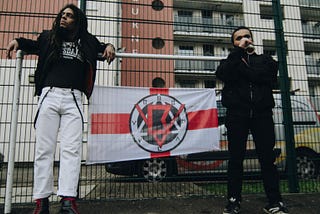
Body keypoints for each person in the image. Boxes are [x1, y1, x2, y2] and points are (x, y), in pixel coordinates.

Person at [6, 4, 115, 214]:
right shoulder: (48, 37)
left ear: (78, 20)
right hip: (49, 95)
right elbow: (30, 43)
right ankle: (42, 201)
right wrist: (17, 41)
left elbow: (103, 47)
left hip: (73, 98)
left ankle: (67, 200)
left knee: (71, 150)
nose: (64, 18)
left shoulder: (88, 41)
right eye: (63, 15)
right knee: (43, 150)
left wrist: (109, 45)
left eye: (70, 16)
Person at [216, 26, 289, 214]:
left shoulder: (265, 60)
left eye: (247, 36)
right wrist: (238, 54)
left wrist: (245, 70)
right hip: (237, 115)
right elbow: (222, 74)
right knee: (235, 159)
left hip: (262, 115)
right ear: (234, 43)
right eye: (239, 38)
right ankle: (233, 201)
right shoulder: (230, 61)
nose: (244, 39)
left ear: (252, 38)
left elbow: (268, 77)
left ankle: (274, 202)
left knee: (267, 158)